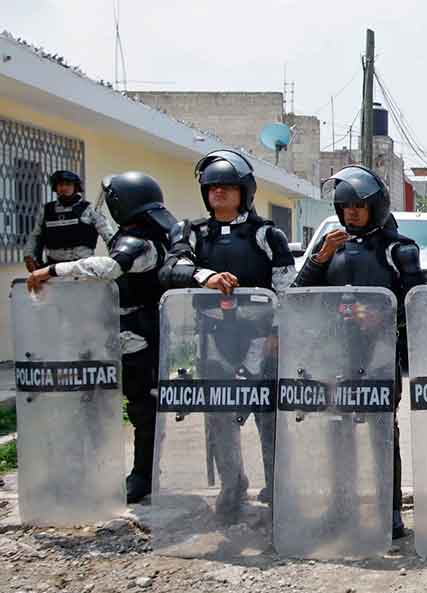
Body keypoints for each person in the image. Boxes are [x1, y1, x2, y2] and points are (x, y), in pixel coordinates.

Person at [292, 164, 425, 540]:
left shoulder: (399, 250)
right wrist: (320, 257)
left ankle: (390, 511)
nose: (351, 211)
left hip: (379, 356)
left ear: (376, 207)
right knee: (338, 432)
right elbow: (299, 295)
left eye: (359, 205)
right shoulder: (329, 246)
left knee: (381, 432)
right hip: (336, 355)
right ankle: (340, 506)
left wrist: (382, 316)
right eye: (345, 205)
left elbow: (415, 305)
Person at [26, 172, 176, 504]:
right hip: (114, 333)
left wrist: (51, 271)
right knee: (93, 402)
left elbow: (107, 268)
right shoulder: (147, 235)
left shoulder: (138, 242)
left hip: (137, 336)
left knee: (142, 408)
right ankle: (86, 471)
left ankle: (143, 476)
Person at [159, 149, 295, 508]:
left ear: (243, 190)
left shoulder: (267, 234)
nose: (218, 191)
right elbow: (170, 269)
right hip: (214, 340)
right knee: (219, 419)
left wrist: (279, 335)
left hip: (261, 341)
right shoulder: (191, 233)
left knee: (269, 418)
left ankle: (276, 487)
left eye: (226, 186)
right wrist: (206, 276)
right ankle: (231, 486)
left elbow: (286, 288)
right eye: (212, 186)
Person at [23, 170, 117, 272]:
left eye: (68, 184)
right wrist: (28, 256)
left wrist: (117, 257)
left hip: (83, 268)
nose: (63, 188)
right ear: (55, 187)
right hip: (53, 269)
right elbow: (35, 235)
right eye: (60, 185)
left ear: (75, 187)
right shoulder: (46, 210)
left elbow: (109, 236)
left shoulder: (89, 209)